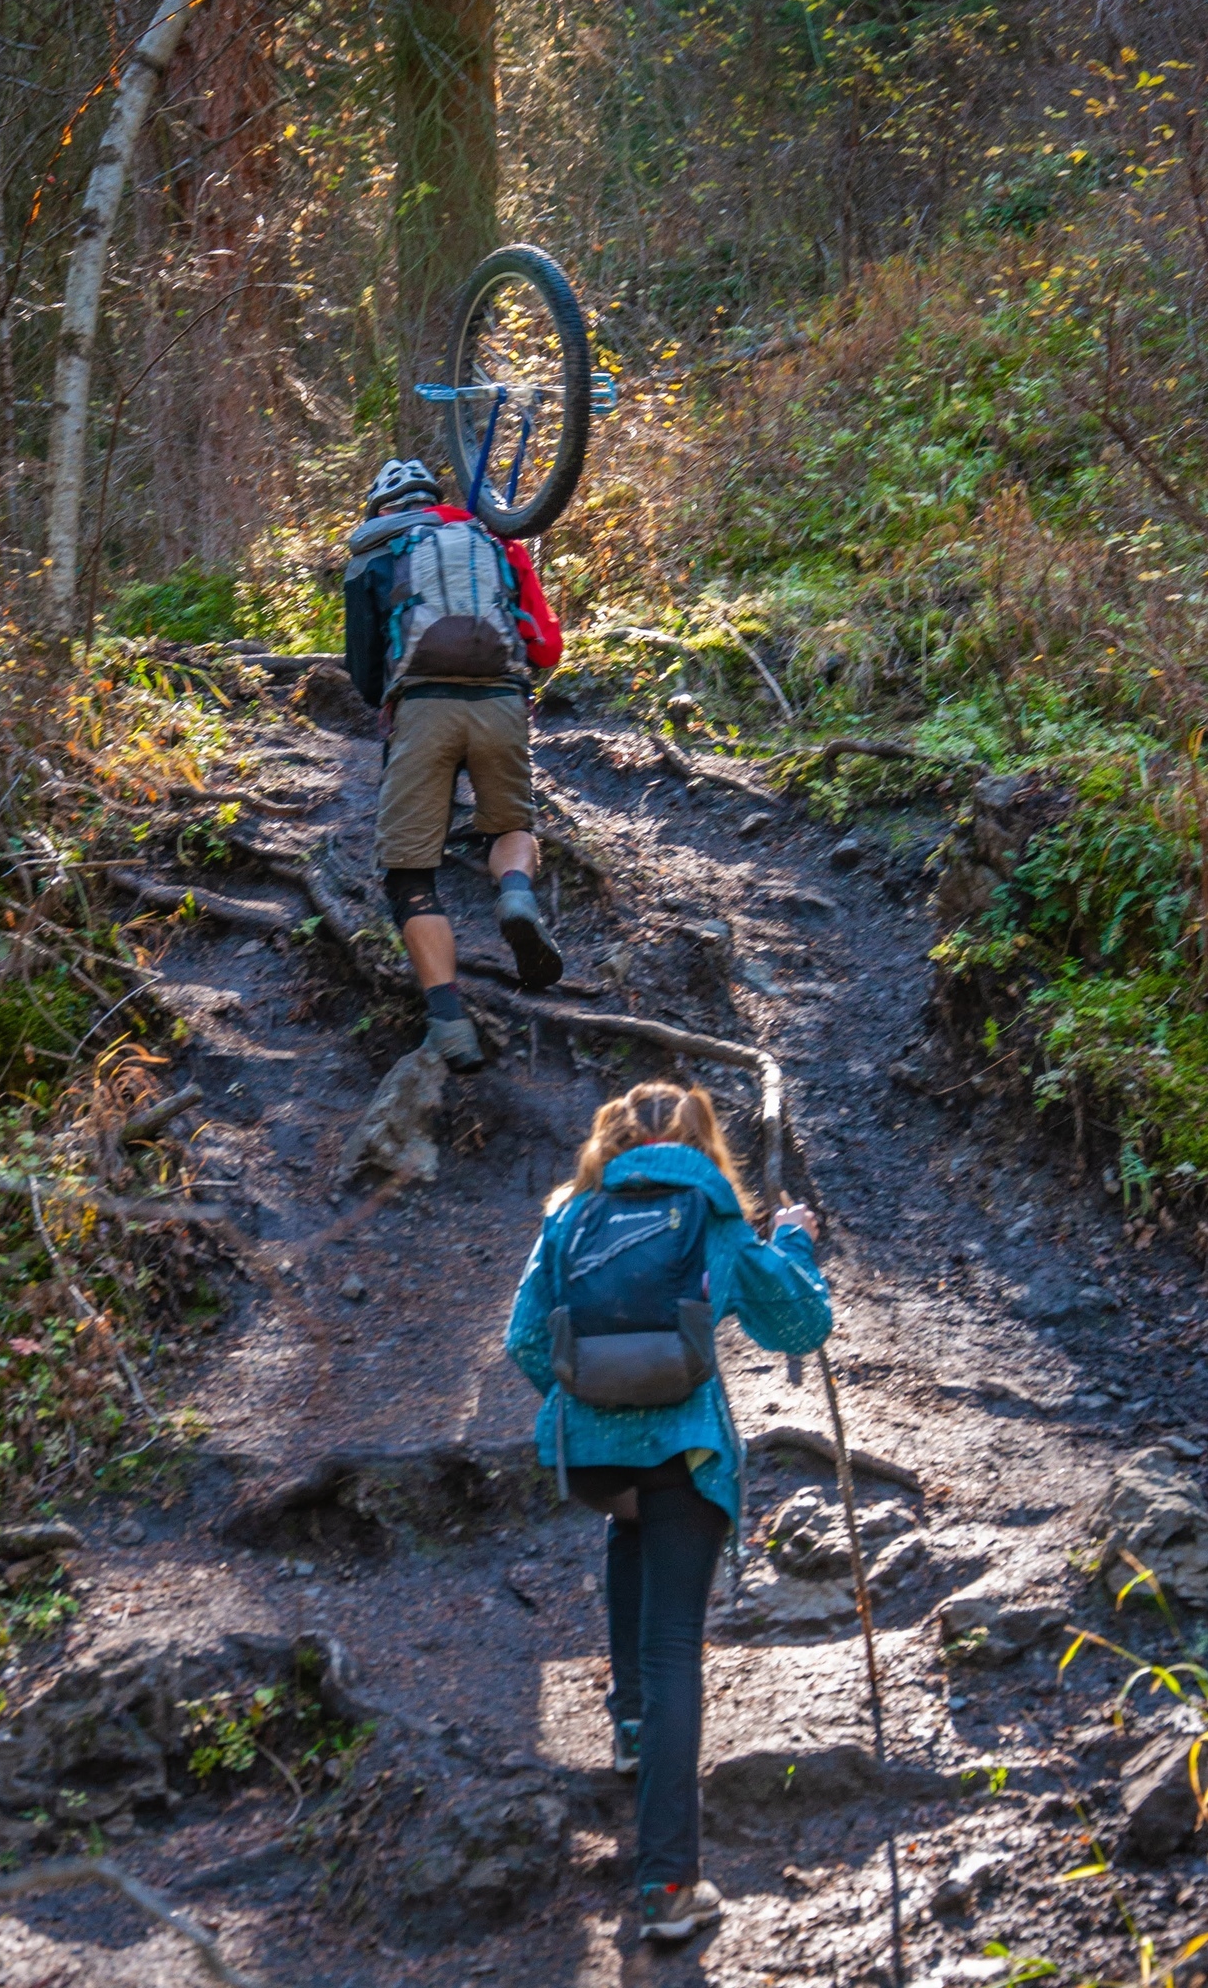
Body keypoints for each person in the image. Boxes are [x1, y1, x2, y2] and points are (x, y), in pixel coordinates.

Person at [504, 1080, 830, 1944]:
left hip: (594, 1461)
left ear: (608, 1138)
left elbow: (525, 1339)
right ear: (701, 1141)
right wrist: (794, 1242)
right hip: (684, 1453)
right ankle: (666, 1886)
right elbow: (796, 1325)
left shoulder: (572, 1215)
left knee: (629, 1524)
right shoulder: (712, 1213)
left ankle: (630, 1731)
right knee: (675, 1644)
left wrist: (583, 1401)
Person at [344, 457, 565, 1074]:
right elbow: (546, 646)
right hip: (501, 706)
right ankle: (516, 897)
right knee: (509, 827)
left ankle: (448, 1024)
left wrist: (390, 695)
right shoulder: (493, 538)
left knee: (409, 872)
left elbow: (363, 671)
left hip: (423, 711)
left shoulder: (376, 549)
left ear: (381, 508)